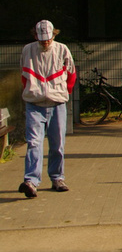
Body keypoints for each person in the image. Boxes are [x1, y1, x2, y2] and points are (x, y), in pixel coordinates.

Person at [19, 20, 77, 198]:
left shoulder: (62, 49)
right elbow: (24, 76)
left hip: (57, 103)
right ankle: (31, 181)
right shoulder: (27, 50)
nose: (45, 42)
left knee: (57, 144)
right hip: (34, 104)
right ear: (35, 36)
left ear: (54, 35)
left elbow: (71, 74)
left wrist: (62, 94)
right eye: (42, 39)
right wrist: (32, 92)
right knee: (34, 143)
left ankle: (57, 178)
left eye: (48, 38)